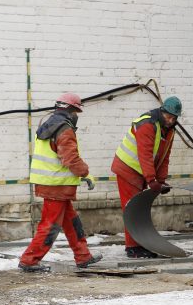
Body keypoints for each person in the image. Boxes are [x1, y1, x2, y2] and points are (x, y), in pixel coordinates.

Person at [19, 92, 103, 272]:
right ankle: (29, 260)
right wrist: (85, 173)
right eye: (76, 112)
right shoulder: (64, 129)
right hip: (56, 186)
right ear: (71, 110)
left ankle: (83, 256)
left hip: (52, 183)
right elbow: (70, 158)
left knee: (72, 222)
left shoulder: (47, 124)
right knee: (49, 225)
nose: (76, 116)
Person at [111, 96, 182, 258]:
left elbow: (164, 156)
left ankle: (140, 243)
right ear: (162, 111)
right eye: (168, 116)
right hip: (128, 169)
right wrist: (152, 180)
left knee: (140, 209)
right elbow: (145, 155)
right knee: (132, 209)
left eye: (173, 118)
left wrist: (161, 180)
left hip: (141, 171)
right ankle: (132, 247)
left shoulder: (169, 129)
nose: (170, 120)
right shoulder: (147, 124)